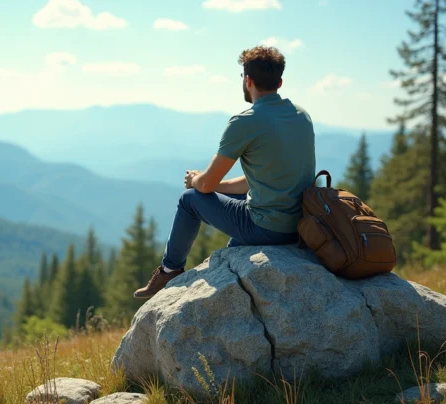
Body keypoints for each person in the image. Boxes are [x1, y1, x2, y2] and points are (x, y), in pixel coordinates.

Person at [134, 45, 316, 299]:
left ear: (248, 80)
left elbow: (205, 186)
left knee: (189, 200)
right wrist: (214, 185)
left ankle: (169, 270)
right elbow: (263, 180)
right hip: (298, 224)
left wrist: (195, 180)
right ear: (280, 81)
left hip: (267, 228)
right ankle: (231, 254)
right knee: (215, 196)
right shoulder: (301, 115)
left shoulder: (245, 121)